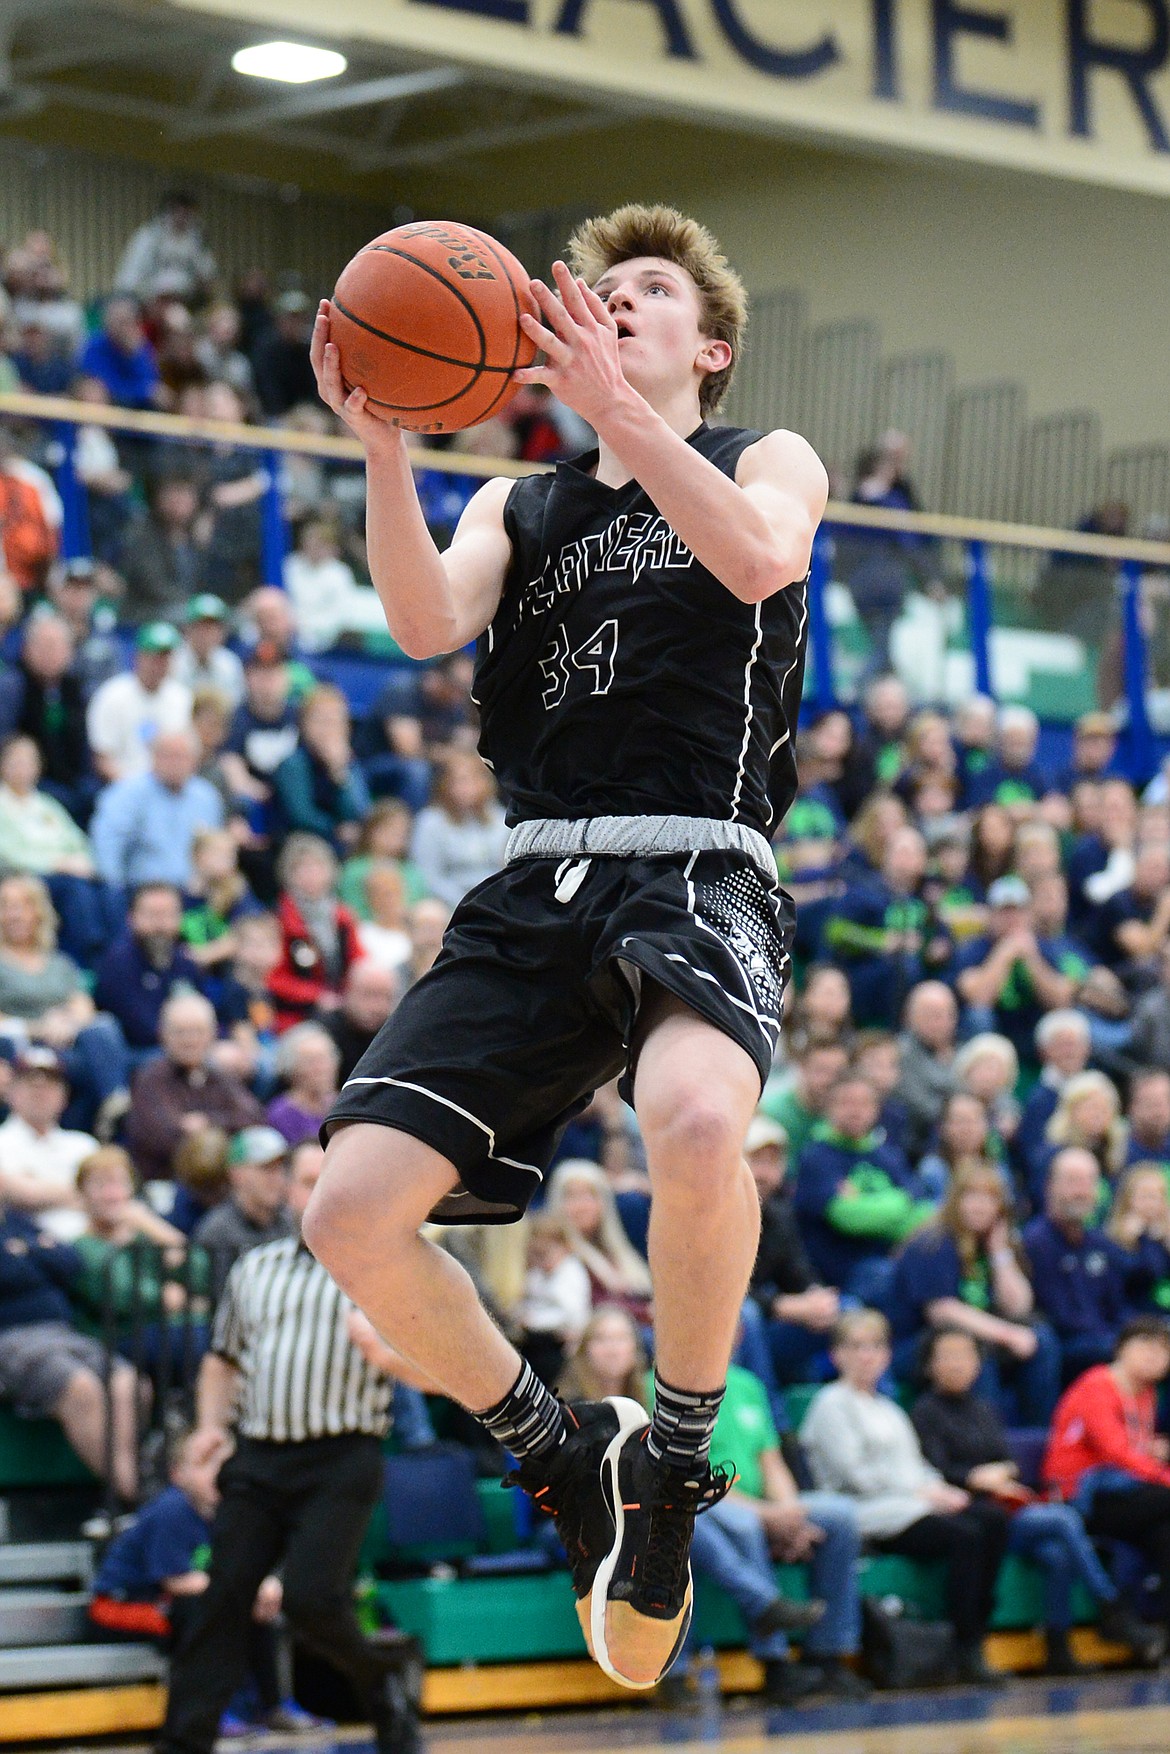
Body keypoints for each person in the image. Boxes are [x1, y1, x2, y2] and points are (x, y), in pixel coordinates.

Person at [303, 203, 828, 1691]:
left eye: (650, 290)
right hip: (536, 879)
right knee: (346, 1213)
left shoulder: (759, 456)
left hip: (700, 856)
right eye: (601, 288)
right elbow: (418, 625)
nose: (618, 301)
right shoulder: (517, 508)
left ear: (705, 347)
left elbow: (754, 565)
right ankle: (557, 1446)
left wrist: (620, 419)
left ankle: (673, 1453)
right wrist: (388, 441)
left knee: (698, 1113)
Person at [153, 1141, 423, 1754]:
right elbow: (222, 1361)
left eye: (332, 1179)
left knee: (310, 1600)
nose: (318, 1190)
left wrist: (390, 1355)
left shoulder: (385, 1268)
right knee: (222, 1597)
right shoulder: (256, 1267)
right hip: (259, 1456)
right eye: (307, 1179)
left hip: (342, 1458)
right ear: (292, 1191)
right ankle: (181, 1742)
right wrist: (210, 1427)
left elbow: (431, 1368)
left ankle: (382, 1684)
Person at [912, 1326, 1161, 1673]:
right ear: (929, 1364)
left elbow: (1008, 1461)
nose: (958, 1364)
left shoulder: (984, 1409)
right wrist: (973, 1478)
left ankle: (1057, 1649)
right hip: (970, 1510)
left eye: (966, 1355)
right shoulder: (924, 1412)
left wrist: (1002, 1474)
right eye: (948, 1356)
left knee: (1058, 1554)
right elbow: (931, 1468)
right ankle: (1110, 1606)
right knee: (1062, 1521)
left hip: (1008, 1507)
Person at [801, 1308, 1010, 1685]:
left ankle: (975, 1637)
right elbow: (856, 1476)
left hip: (910, 1505)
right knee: (966, 1536)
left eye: (876, 1346)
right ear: (838, 1355)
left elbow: (918, 1466)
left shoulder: (890, 1409)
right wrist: (923, 1493)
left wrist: (943, 1491)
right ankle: (962, 1644)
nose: (867, 1355)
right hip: (869, 1513)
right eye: (857, 1346)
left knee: (991, 1518)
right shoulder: (831, 1404)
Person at [89, 1428, 317, 1739]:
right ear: (177, 1474)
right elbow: (176, 1581)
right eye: (204, 1464)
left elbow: (239, 1572)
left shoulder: (231, 1513)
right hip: (119, 1606)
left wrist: (263, 1585)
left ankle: (272, 1705)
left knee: (259, 1613)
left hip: (169, 1600)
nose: (216, 1474)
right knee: (204, 1616)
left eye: (224, 1465)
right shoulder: (173, 1509)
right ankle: (209, 1712)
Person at [889, 1163, 1060, 1422]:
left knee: (1042, 1338)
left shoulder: (991, 1245)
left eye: (990, 1199)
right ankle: (988, 1442)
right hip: (915, 1346)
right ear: (955, 1201)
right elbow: (942, 1312)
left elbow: (1019, 1307)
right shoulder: (933, 1243)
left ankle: (1038, 1433)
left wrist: (999, 1254)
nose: (980, 1206)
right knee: (974, 1352)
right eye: (971, 1197)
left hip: (975, 1335)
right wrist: (1007, 1334)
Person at [0, 1193, 139, 1508]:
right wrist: (35, 1253)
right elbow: (9, 1272)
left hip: (62, 1333)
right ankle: (132, 1494)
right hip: (11, 1339)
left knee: (129, 1382)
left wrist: (25, 1253)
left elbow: (69, 1261)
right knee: (81, 1387)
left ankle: (125, 1489)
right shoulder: (28, 1233)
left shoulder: (20, 1222)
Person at [1043, 1318, 1170, 1641]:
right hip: (1078, 1497)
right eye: (1145, 1345)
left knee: (1166, 1535)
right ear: (1120, 1348)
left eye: (1163, 1349)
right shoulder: (1097, 1385)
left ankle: (1159, 1632)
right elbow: (1117, 1452)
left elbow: (1137, 1452)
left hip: (1124, 1495)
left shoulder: (1147, 1394)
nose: (1154, 1355)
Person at [792, 1072, 930, 1301]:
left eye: (864, 1103)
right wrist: (898, 1204)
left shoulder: (887, 1154)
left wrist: (868, 1205)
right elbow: (848, 1218)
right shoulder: (817, 1157)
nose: (856, 1111)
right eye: (846, 1103)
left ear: (877, 1110)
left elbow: (923, 1211)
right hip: (841, 1277)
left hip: (892, 1257)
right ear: (829, 1107)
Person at [125, 993, 264, 1185]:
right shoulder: (151, 1078)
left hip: (223, 1183)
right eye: (180, 1032)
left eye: (198, 1031)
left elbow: (253, 1117)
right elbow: (161, 1135)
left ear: (212, 1034)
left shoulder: (219, 1075)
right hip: (166, 1182)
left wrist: (208, 1121)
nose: (190, 1040)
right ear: (163, 1034)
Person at [745, 1113, 840, 1387]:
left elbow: (798, 1271)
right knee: (748, 1316)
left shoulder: (780, 1213)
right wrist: (781, 1306)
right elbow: (717, 1287)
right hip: (726, 1323)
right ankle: (774, 1421)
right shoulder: (713, 1212)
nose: (764, 1173)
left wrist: (816, 1295)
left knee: (846, 1311)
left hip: (767, 1317)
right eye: (756, 1161)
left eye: (772, 1163)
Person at [1023, 1149, 1131, 1381]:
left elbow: (1118, 1306)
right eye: (1073, 1181)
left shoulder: (1100, 1243)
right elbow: (1058, 1316)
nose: (1082, 1191)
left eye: (1089, 1182)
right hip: (1063, 1347)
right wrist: (1121, 1342)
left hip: (1105, 1338)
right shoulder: (1035, 1242)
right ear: (1049, 1186)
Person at [91, 730, 224, 893]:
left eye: (182, 756)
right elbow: (107, 847)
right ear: (153, 757)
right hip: (142, 891)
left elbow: (216, 848)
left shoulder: (207, 797)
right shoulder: (126, 793)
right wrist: (115, 891)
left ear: (196, 760)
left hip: (196, 893)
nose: (175, 763)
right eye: (168, 755)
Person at [93, 881, 209, 1055]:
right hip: (135, 1054)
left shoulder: (185, 962)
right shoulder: (117, 962)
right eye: (152, 915)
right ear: (131, 918)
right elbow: (138, 1027)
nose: (160, 925)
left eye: (168, 915)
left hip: (186, 1051)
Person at [268, 834, 364, 1032]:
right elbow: (274, 978)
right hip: (296, 1015)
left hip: (341, 1005)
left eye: (317, 867)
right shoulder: (279, 919)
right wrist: (317, 996)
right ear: (289, 874)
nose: (311, 875)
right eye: (302, 868)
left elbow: (359, 961)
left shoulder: (343, 917)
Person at [190, 1126, 294, 1301]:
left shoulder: (291, 1222)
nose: (277, 1178)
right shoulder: (217, 1230)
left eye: (280, 1168)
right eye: (266, 1169)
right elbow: (216, 1300)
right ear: (236, 1174)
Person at [544, 1159, 653, 1324]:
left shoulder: (616, 1251)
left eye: (590, 1195)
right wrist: (646, 1312)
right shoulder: (556, 1255)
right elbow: (594, 1308)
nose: (582, 1206)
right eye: (572, 1196)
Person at [86, 624, 192, 783]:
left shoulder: (182, 698)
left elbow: (187, 752)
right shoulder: (111, 695)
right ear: (137, 656)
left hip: (171, 786)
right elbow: (103, 758)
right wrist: (136, 790)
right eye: (154, 657)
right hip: (122, 784)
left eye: (165, 657)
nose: (160, 664)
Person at [270, 686, 371, 854]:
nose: (329, 730)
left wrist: (339, 773)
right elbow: (302, 817)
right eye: (321, 721)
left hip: (339, 845)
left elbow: (360, 813)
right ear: (303, 725)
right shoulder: (292, 764)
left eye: (336, 722)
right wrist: (336, 829)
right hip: (297, 844)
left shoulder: (347, 764)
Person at [408, 751, 509, 910]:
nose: (466, 787)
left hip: (495, 900)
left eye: (473, 779)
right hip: (449, 903)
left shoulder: (500, 818)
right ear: (444, 784)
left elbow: (507, 869)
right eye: (459, 781)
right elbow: (428, 876)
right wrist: (465, 902)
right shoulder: (430, 822)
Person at [517, 1214, 594, 1387]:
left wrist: (534, 1320)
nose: (541, 1260)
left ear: (565, 1247)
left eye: (545, 1253)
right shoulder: (536, 1274)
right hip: (537, 1339)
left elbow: (572, 1314)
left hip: (563, 1342)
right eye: (536, 1254)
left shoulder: (570, 1272)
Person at [115, 192, 217, 307]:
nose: (182, 219)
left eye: (187, 215)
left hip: (187, 300)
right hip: (151, 300)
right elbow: (129, 276)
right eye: (178, 213)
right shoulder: (149, 236)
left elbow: (208, 276)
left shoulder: (196, 241)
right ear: (167, 213)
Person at [897, 980, 961, 1158]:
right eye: (930, 1015)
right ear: (909, 1017)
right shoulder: (902, 1053)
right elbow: (922, 1107)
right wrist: (961, 1115)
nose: (938, 1022)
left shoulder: (963, 1051)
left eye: (945, 1015)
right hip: (919, 1144)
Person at [321, 958, 399, 1084]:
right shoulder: (324, 1033)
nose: (377, 1007)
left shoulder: (394, 1035)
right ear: (348, 991)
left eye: (386, 997)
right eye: (369, 995)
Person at [266, 1023, 340, 1148]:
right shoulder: (281, 1115)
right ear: (292, 1069)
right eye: (311, 1062)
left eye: (325, 1059)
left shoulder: (344, 1105)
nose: (321, 1068)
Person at [171, 596, 245, 707]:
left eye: (212, 628)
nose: (205, 634)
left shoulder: (230, 663)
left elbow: (234, 706)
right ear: (187, 629)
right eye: (200, 627)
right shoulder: (172, 661)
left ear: (222, 633)